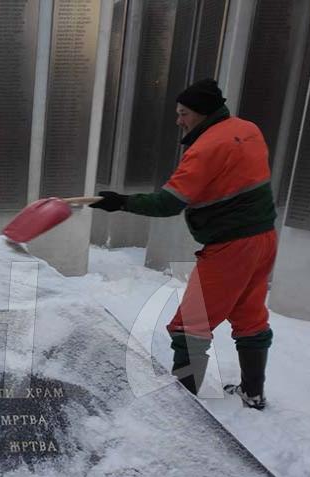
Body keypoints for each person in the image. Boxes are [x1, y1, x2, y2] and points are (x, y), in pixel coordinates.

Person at [90, 79, 277, 410]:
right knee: (249, 317)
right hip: (263, 238)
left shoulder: (207, 147)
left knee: (190, 324)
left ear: (203, 113)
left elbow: (168, 203)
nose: (179, 120)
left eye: (184, 113)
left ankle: (182, 412)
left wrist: (120, 202)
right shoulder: (247, 130)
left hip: (230, 245)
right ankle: (254, 393)